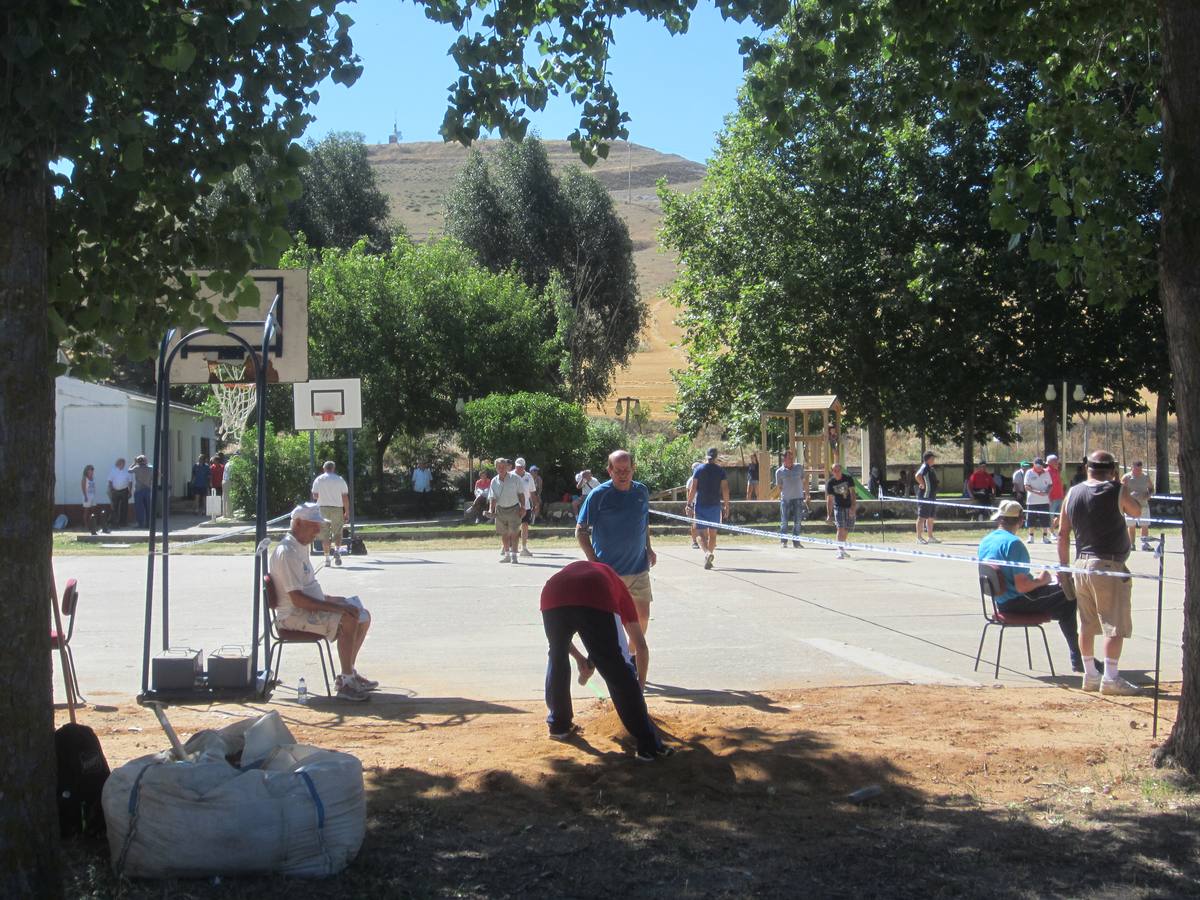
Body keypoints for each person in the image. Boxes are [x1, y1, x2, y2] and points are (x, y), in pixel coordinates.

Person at [540, 560, 672, 761]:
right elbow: (641, 647)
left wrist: (579, 658)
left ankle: (559, 725)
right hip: (593, 593)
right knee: (613, 665)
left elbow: (561, 642)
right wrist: (639, 689)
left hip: (552, 595)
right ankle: (649, 746)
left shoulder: (600, 577)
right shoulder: (618, 591)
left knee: (556, 654)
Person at [269, 503, 377, 702]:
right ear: (299, 523)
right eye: (314, 525)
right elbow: (298, 599)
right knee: (349, 618)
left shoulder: (299, 547)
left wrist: (334, 600)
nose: (318, 531)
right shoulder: (287, 552)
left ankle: (348, 674)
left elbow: (308, 588)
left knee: (363, 616)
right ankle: (346, 684)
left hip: (305, 607)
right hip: (292, 615)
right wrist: (338, 607)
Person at [1058, 450, 1144, 695]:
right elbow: (1136, 511)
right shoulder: (1116, 490)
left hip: (1080, 564)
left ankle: (1090, 674)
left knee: (1086, 623)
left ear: (1088, 468)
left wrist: (1064, 568)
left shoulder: (1072, 492)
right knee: (1114, 623)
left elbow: (1063, 533)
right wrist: (1122, 486)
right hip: (1107, 565)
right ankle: (1111, 677)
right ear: (1112, 470)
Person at [979, 499, 1084, 671]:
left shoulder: (986, 541)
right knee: (1069, 594)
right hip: (1018, 601)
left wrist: (1035, 581)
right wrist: (1043, 580)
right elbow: (1022, 588)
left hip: (1000, 600)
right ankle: (1079, 658)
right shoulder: (1014, 544)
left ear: (1000, 519)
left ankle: (1078, 656)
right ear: (1021, 520)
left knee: (1064, 600)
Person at [576, 449, 657, 638]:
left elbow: (643, 521)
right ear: (609, 470)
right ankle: (617, 659)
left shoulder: (641, 491)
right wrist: (594, 561)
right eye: (618, 470)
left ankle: (632, 658)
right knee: (612, 625)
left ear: (633, 469)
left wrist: (649, 548)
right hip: (609, 572)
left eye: (626, 470)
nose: (623, 474)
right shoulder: (598, 495)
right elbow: (580, 531)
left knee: (642, 618)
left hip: (639, 569)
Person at [686, 447, 730, 570]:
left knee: (700, 533)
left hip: (701, 505)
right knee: (713, 534)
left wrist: (689, 503)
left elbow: (693, 488)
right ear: (716, 458)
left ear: (706, 457)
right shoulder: (720, 471)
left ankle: (707, 553)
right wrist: (727, 506)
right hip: (715, 506)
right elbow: (725, 489)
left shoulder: (699, 469)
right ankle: (709, 556)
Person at [311, 460, 350, 567]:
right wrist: (347, 512)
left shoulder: (319, 480)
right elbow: (345, 497)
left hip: (322, 509)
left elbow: (315, 496)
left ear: (324, 468)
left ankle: (327, 559)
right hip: (337, 508)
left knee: (325, 535)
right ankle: (337, 551)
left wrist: (323, 496)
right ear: (333, 468)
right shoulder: (340, 480)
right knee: (338, 532)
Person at [488, 457, 527, 564]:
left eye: (503, 467)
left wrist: (523, 507)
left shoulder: (515, 478)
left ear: (507, 467)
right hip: (500, 510)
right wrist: (491, 509)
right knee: (504, 533)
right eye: (499, 467)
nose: (501, 469)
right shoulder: (494, 481)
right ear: (496, 468)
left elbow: (521, 494)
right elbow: (492, 497)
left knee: (514, 533)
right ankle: (507, 555)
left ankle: (514, 556)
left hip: (514, 508)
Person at [774, 450, 807, 548]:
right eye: (789, 458)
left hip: (798, 498)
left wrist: (807, 495)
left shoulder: (799, 467)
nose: (791, 459)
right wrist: (782, 497)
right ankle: (783, 541)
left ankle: (796, 542)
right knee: (784, 521)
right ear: (784, 459)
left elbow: (804, 481)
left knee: (798, 521)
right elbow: (779, 487)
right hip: (786, 499)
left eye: (792, 457)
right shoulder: (779, 472)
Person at [825, 462, 858, 559]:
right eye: (834, 471)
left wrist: (853, 507)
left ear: (841, 470)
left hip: (849, 506)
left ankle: (842, 549)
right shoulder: (830, 483)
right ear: (832, 472)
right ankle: (839, 550)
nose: (837, 472)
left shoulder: (848, 479)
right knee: (840, 528)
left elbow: (853, 494)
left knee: (847, 528)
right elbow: (829, 499)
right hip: (838, 507)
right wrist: (828, 514)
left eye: (838, 470)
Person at [1122, 460, 1155, 552]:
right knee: (1131, 526)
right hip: (1130, 506)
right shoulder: (1126, 477)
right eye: (1136, 469)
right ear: (1132, 468)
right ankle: (1131, 544)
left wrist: (1149, 494)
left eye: (1140, 469)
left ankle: (1144, 544)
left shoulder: (1145, 477)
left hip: (1143, 505)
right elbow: (1120, 490)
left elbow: (1151, 489)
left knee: (1144, 525)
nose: (1138, 471)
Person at [1023, 458, 1053, 543]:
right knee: (1031, 519)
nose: (1040, 467)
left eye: (1041, 466)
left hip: (1044, 501)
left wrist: (1047, 492)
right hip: (1032, 501)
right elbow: (1026, 486)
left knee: (1045, 520)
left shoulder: (1047, 473)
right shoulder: (1029, 473)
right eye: (1038, 466)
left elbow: (1050, 485)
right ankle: (1031, 537)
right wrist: (1037, 492)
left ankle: (1045, 537)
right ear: (1034, 464)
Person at [513, 457, 538, 557]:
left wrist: (535, 504)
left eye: (521, 467)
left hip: (526, 505)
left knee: (525, 525)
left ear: (524, 467)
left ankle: (524, 548)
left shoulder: (528, 476)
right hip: (513, 505)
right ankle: (508, 547)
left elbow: (532, 492)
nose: (519, 468)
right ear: (515, 466)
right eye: (518, 466)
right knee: (513, 527)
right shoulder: (510, 475)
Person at [914, 451, 940, 544]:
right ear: (928, 459)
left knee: (930, 517)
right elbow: (917, 475)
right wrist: (922, 484)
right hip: (925, 496)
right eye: (932, 458)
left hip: (931, 496)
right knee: (922, 517)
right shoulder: (924, 466)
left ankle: (930, 537)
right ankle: (919, 538)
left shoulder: (930, 468)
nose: (934, 460)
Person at [80, 464, 108, 534]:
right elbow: (83, 488)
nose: (92, 471)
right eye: (90, 469)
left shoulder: (93, 478)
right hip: (87, 496)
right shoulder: (84, 478)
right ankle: (86, 525)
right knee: (86, 511)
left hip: (92, 496)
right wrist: (85, 496)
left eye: (92, 470)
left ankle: (93, 525)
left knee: (93, 511)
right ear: (87, 471)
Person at [129, 454, 154, 529]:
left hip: (138, 490)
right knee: (148, 508)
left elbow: (129, 470)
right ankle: (148, 524)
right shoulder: (151, 468)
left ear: (138, 462)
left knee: (139, 508)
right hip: (147, 489)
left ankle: (140, 524)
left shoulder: (136, 468)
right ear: (145, 461)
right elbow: (158, 474)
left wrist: (134, 463)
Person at [107, 457, 133, 526]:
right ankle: (114, 522)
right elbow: (110, 481)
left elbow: (130, 482)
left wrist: (130, 491)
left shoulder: (127, 471)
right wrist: (111, 489)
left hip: (124, 491)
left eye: (124, 463)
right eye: (121, 463)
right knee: (114, 507)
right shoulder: (113, 471)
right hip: (115, 491)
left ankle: (123, 522)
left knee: (124, 507)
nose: (123, 464)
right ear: (118, 464)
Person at [1046, 454, 1065, 537]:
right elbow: (1047, 486)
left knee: (1060, 515)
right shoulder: (1046, 471)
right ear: (1050, 462)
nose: (1057, 462)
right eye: (1055, 461)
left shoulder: (1057, 471)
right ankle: (1052, 533)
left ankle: (1051, 530)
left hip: (1060, 497)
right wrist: (1048, 497)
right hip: (1051, 498)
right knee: (1051, 516)